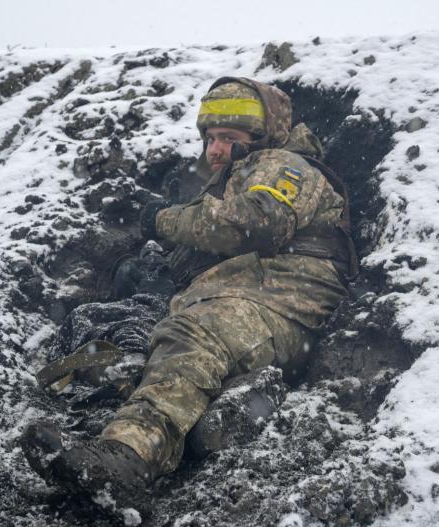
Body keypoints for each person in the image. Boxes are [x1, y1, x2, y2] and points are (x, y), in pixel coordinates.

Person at [21, 77, 356, 508]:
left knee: (192, 336)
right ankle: (213, 426)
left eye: (228, 138)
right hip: (252, 311)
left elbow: (256, 224)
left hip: (279, 307)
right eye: (209, 138)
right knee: (166, 344)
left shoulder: (283, 165)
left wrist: (163, 219)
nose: (214, 150)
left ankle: (127, 459)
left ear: (261, 136)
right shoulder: (233, 182)